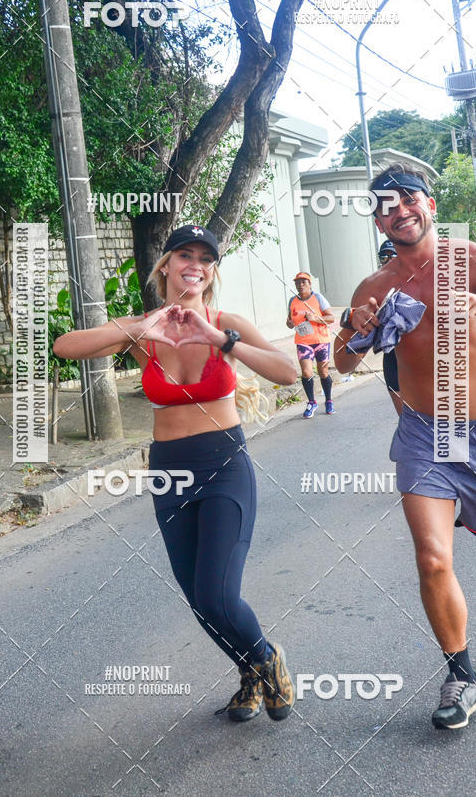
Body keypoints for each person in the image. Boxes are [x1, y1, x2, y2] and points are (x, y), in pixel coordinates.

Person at [54, 224, 297, 724]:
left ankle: (267, 657)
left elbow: (288, 371)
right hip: (169, 472)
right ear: (165, 264)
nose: (196, 265)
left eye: (206, 259)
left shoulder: (226, 323)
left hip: (224, 465)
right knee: (199, 602)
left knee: (217, 593)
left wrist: (222, 341)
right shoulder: (143, 330)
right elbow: (66, 346)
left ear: (212, 271)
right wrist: (141, 328)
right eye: (185, 254)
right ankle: (250, 674)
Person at [334, 163, 476, 731]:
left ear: (428, 203)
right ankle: (462, 675)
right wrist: (356, 329)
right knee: (432, 556)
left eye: (407, 200)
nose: (398, 212)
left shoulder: (473, 260)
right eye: (385, 207)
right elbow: (342, 361)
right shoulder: (375, 287)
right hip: (426, 433)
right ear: (377, 222)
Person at [286, 271, 336, 417]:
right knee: (307, 372)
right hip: (303, 342)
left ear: (309, 284)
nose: (300, 285)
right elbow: (289, 321)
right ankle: (312, 402)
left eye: (303, 282)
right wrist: (289, 323)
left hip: (321, 341)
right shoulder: (292, 301)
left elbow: (331, 318)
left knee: (323, 372)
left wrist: (315, 318)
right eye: (297, 283)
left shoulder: (318, 298)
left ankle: (328, 400)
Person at [377, 240, 401, 415]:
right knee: (405, 419)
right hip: (392, 355)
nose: (389, 259)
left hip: (421, 356)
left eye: (393, 254)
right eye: (384, 256)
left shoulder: (420, 280)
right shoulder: (374, 287)